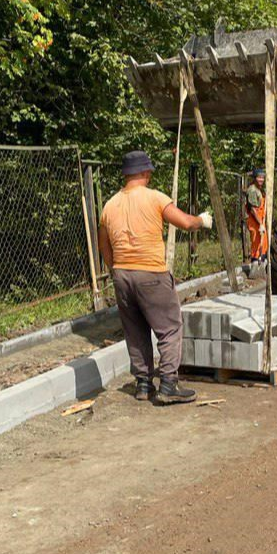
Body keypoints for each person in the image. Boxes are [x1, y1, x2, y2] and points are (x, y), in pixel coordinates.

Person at [98, 150, 213, 405]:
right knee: (170, 328)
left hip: (122, 274)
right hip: (151, 272)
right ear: (145, 172)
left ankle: (143, 384)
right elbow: (184, 222)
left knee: (135, 330)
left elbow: (103, 244)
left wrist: (116, 268)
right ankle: (169, 384)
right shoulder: (154, 198)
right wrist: (202, 221)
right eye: (149, 171)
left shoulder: (109, 205)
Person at [245, 168, 268, 266]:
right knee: (256, 242)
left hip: (260, 220)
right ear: (254, 178)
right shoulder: (252, 190)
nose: (261, 179)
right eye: (259, 177)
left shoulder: (260, 189)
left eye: (262, 178)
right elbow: (253, 210)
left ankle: (262, 262)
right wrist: (260, 224)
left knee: (263, 242)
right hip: (254, 221)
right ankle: (255, 263)